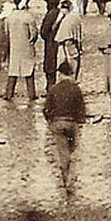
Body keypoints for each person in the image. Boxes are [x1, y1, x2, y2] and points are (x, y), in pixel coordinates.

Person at [43, 60, 86, 197]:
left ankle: (64, 178)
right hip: (71, 123)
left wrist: (50, 122)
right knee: (72, 151)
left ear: (59, 73)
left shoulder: (53, 89)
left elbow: (46, 109)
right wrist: (80, 122)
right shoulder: (76, 88)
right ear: (71, 73)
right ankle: (71, 179)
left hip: (57, 123)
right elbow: (81, 110)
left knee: (63, 152)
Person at [2, 0, 39, 102]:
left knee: (13, 71)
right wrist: (31, 42)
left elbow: (7, 35)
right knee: (29, 71)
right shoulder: (29, 17)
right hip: (26, 47)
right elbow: (34, 34)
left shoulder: (9, 17)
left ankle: (8, 94)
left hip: (14, 47)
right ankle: (31, 94)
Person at [55, 0, 84, 80]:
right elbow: (78, 36)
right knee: (72, 65)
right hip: (68, 42)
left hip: (67, 42)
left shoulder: (68, 18)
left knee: (67, 65)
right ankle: (72, 81)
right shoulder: (73, 18)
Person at [39, 0, 62, 90]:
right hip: (58, 42)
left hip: (50, 43)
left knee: (50, 67)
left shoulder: (51, 14)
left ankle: (50, 89)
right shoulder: (60, 13)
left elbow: (44, 31)